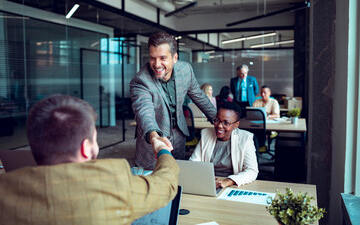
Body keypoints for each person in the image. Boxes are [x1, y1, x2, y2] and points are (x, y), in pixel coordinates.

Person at [0, 95, 179, 225]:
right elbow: (166, 184)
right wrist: (163, 150)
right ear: (86, 148)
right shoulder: (114, 184)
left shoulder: (5, 189)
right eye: (94, 138)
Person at [130, 32, 217, 170]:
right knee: (153, 180)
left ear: (175, 57)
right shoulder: (141, 81)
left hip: (179, 134)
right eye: (152, 58)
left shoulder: (185, 70)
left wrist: (218, 120)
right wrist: (154, 137)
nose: (157, 64)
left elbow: (199, 96)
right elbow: (144, 112)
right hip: (153, 141)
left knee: (178, 174)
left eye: (162, 58)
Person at [189, 102, 258, 188]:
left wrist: (228, 181)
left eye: (226, 123)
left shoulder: (246, 138)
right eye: (217, 120)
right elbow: (193, 163)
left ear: (236, 125)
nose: (219, 126)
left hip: (232, 185)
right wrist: (208, 179)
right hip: (208, 183)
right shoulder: (206, 134)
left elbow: (252, 171)